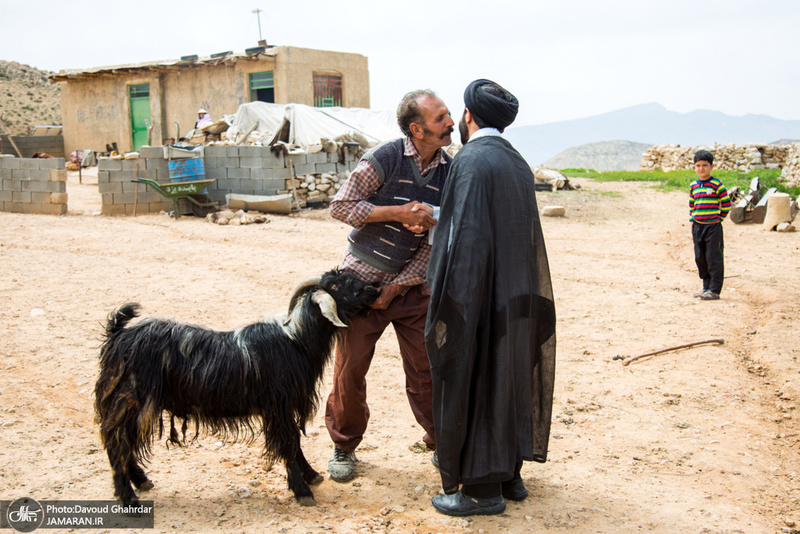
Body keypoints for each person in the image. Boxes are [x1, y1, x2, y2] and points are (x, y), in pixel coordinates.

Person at [425, 79, 557, 516]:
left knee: (476, 381)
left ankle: (483, 491)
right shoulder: (516, 163)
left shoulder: (472, 160)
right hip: (516, 294)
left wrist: (451, 300)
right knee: (508, 377)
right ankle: (509, 474)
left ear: (469, 117)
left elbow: (464, 237)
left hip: (480, 294)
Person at [325, 89, 455, 482]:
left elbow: (437, 239)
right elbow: (340, 206)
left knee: (427, 369)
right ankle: (343, 446)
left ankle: (442, 443)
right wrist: (396, 213)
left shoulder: (451, 171)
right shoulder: (383, 158)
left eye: (448, 115)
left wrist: (399, 285)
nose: (449, 123)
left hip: (412, 287)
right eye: (440, 118)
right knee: (350, 371)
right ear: (417, 129)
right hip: (359, 282)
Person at [689, 149, 731, 300]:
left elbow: (726, 204)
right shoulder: (693, 186)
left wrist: (718, 219)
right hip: (697, 226)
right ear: (694, 167)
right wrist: (692, 218)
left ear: (711, 166)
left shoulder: (716, 185)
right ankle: (705, 287)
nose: (701, 168)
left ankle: (715, 290)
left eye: (705, 165)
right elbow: (692, 205)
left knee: (713, 257)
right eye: (698, 165)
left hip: (713, 227)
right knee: (700, 257)